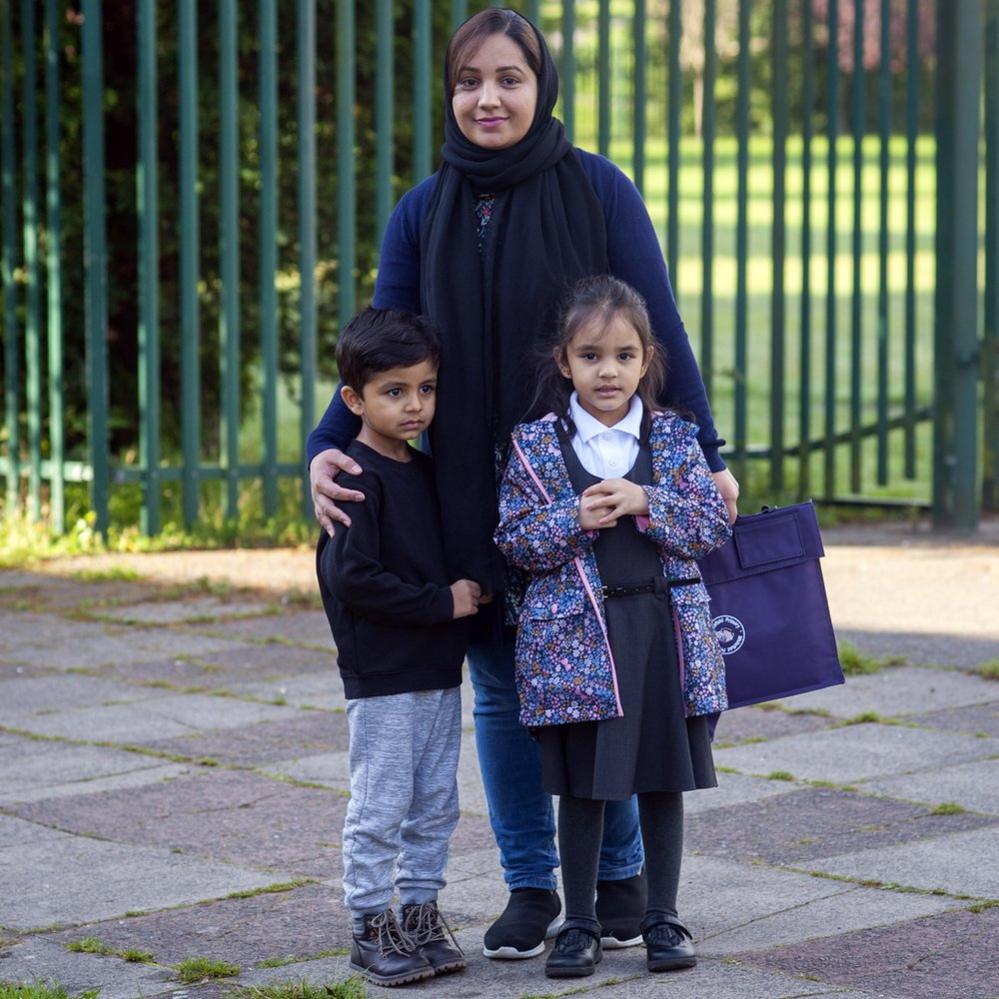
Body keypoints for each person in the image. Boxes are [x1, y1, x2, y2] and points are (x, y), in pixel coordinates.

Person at [307, 8, 740, 959]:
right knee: (505, 685)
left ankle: (618, 875)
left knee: (614, 677)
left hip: (595, 474)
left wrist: (705, 451)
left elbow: (655, 322)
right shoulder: (424, 210)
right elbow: (385, 333)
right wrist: (326, 441)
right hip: (477, 485)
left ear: (540, 85)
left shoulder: (598, 190)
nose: (487, 97)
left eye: (508, 77)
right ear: (450, 93)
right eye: (468, 80)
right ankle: (531, 883)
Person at [494, 275, 731, 978]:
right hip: (579, 645)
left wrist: (645, 498)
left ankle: (662, 916)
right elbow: (514, 539)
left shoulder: (674, 437)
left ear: (646, 359)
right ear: (563, 361)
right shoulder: (535, 444)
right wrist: (573, 516)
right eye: (591, 355)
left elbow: (712, 524)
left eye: (624, 355)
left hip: (662, 632)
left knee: (662, 776)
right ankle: (582, 922)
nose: (608, 370)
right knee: (585, 784)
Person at [316, 308, 482, 987]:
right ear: (353, 399)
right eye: (394, 391)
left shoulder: (424, 469)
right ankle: (368, 925)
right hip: (383, 674)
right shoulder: (351, 477)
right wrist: (442, 602)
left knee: (435, 800)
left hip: (437, 669)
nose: (414, 405)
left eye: (426, 388)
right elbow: (350, 579)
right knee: (381, 804)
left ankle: (418, 913)